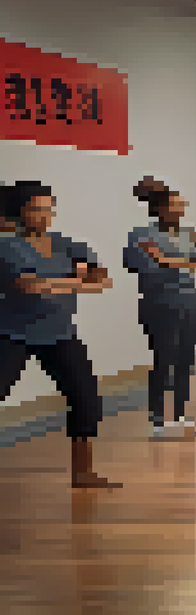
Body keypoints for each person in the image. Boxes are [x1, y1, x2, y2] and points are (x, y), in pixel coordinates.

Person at [0, 181, 117, 488]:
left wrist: (55, 282)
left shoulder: (67, 243)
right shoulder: (7, 245)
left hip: (60, 332)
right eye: (36, 210)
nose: (44, 216)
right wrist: (74, 280)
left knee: (86, 398)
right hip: (13, 333)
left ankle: (83, 473)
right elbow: (30, 286)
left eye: (48, 210)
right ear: (21, 212)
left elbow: (103, 279)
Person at [125, 177, 196, 439]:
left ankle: (180, 417)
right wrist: (189, 260)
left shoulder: (188, 234)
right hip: (159, 302)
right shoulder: (141, 235)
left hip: (188, 302)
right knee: (164, 359)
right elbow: (148, 267)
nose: (181, 210)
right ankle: (159, 419)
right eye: (176, 205)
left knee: (185, 359)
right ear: (160, 208)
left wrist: (172, 259)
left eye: (182, 205)